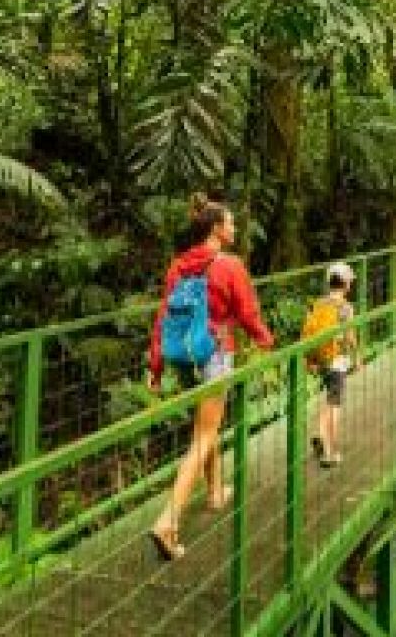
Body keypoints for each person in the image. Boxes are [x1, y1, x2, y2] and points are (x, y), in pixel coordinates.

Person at [145, 195, 272, 562]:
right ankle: (168, 523)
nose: (234, 229)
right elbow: (248, 314)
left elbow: (162, 318)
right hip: (215, 352)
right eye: (231, 223)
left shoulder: (178, 267)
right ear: (216, 228)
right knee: (204, 435)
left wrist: (155, 366)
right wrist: (266, 341)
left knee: (205, 425)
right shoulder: (229, 265)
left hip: (184, 356)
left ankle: (215, 491)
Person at [302, 262, 358, 468]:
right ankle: (329, 452)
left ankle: (320, 437)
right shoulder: (345, 307)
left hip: (322, 359)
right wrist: (357, 355)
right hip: (338, 360)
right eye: (350, 280)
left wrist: (311, 359)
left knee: (328, 399)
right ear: (344, 283)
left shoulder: (319, 303)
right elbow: (350, 335)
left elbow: (310, 331)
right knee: (335, 405)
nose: (351, 283)